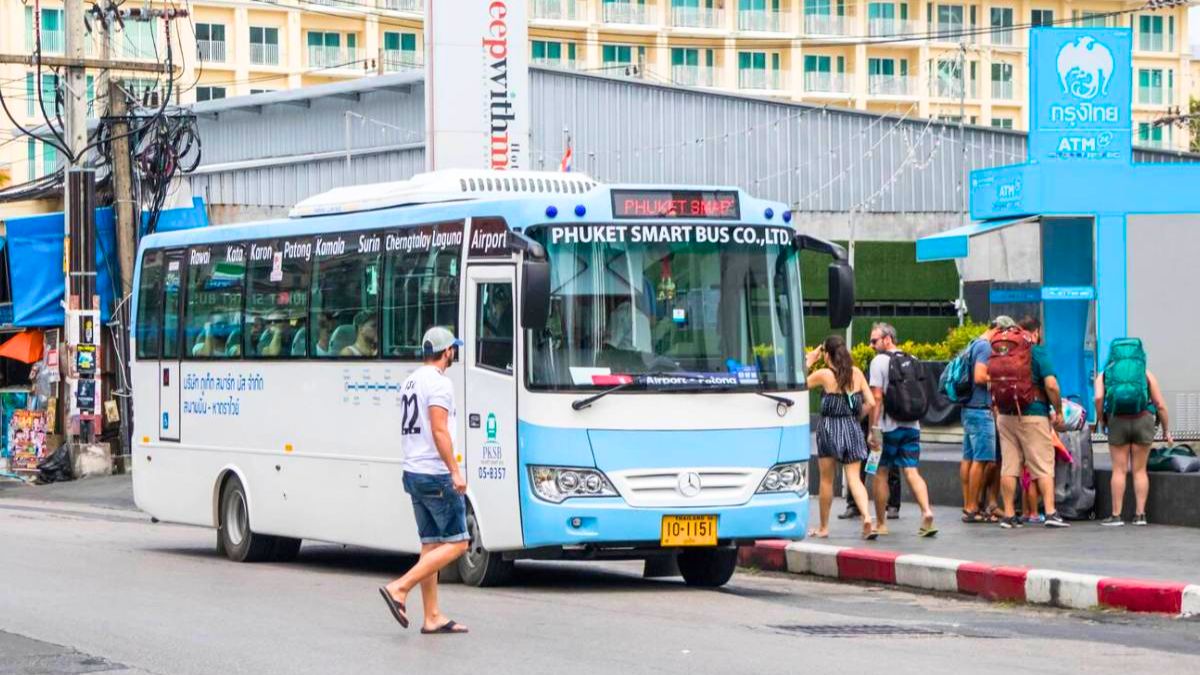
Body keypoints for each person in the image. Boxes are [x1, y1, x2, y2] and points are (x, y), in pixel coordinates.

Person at [380, 327, 470, 635]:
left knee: (431, 544)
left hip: (413, 471)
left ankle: (432, 616)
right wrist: (455, 470)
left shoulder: (410, 381)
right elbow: (439, 430)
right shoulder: (439, 384)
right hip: (435, 473)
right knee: (459, 542)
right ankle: (399, 587)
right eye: (453, 349)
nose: (454, 353)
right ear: (446, 352)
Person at [992, 315, 1069, 529]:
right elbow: (1051, 385)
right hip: (1033, 415)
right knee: (1043, 466)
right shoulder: (1036, 350)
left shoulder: (1004, 350)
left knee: (1009, 466)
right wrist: (1058, 409)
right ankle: (1051, 513)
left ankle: (1008, 515)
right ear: (1036, 332)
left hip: (1006, 415)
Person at [805, 335, 879, 541]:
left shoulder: (824, 375)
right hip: (853, 428)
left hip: (829, 428)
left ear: (827, 355)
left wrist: (809, 361)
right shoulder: (856, 373)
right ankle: (866, 518)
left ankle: (824, 527)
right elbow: (871, 402)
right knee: (855, 479)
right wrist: (856, 417)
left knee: (827, 481)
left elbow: (798, 384)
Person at [868, 323, 937, 537]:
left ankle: (881, 523)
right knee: (911, 471)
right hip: (912, 426)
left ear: (888, 339)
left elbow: (877, 398)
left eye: (874, 340)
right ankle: (926, 512)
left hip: (888, 427)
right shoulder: (913, 360)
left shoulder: (878, 362)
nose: (871, 345)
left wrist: (873, 428)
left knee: (881, 473)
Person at [1095, 340, 1173, 527]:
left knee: (1119, 470)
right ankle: (1140, 515)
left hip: (1118, 421)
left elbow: (1098, 397)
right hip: (1143, 420)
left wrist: (1101, 419)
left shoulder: (1105, 374)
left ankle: (1116, 515)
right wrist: (1166, 430)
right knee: (1139, 470)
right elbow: (1160, 405)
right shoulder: (1144, 373)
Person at [960, 316, 1015, 524]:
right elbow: (979, 377)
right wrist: (1002, 379)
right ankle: (973, 507)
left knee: (969, 458)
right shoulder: (984, 347)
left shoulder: (974, 343)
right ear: (1000, 330)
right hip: (980, 410)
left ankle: (968, 504)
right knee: (982, 460)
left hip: (969, 409)